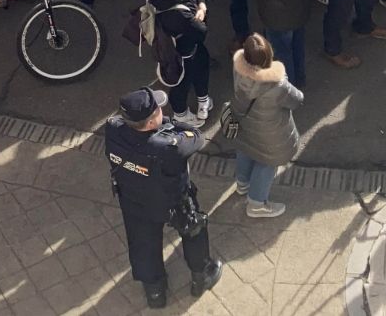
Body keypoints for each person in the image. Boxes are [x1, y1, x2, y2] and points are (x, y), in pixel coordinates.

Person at [104, 86, 220, 308]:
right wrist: (168, 124)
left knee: (142, 243)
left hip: (133, 199)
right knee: (193, 229)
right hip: (173, 200)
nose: (161, 109)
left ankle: (155, 293)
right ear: (149, 123)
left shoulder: (113, 129)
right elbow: (196, 137)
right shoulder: (168, 146)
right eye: (157, 109)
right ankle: (201, 275)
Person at [227, 33, 303, 219]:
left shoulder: (238, 69)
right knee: (267, 162)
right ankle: (257, 204)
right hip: (270, 133)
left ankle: (242, 184)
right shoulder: (278, 85)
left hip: (244, 123)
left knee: (245, 150)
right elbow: (297, 100)